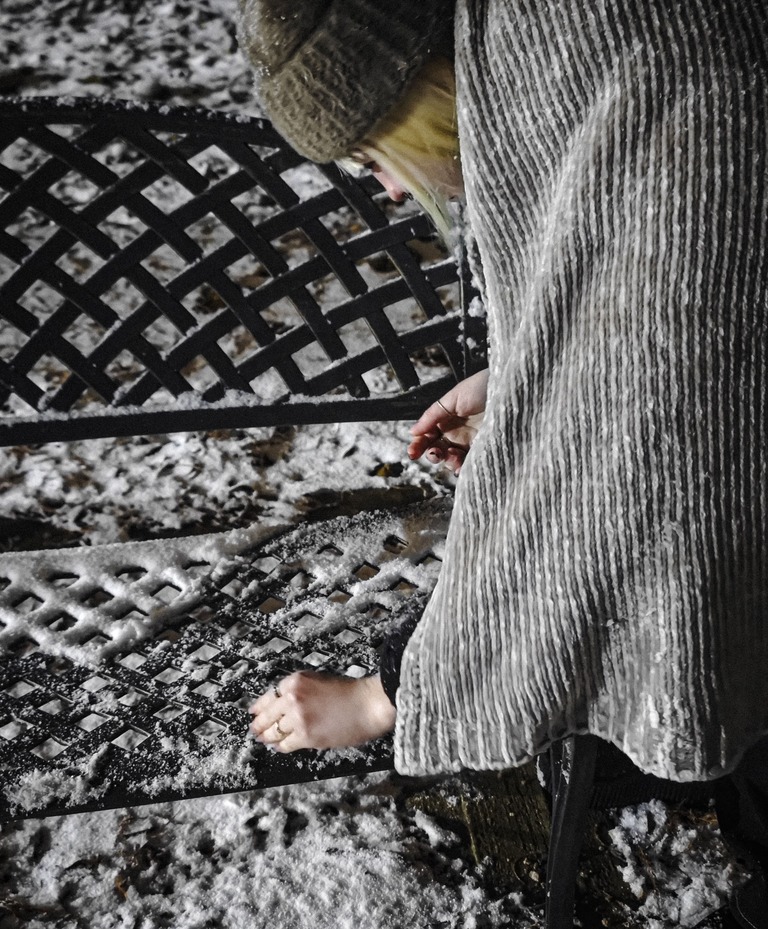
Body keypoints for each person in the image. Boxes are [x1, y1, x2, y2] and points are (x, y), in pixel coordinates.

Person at [238, 2, 768, 925]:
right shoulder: (597, 57)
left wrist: (391, 690)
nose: (394, 191)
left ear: (424, 78)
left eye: (373, 156)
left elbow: (634, 470)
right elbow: (653, 314)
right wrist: (526, 374)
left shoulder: (642, 63)